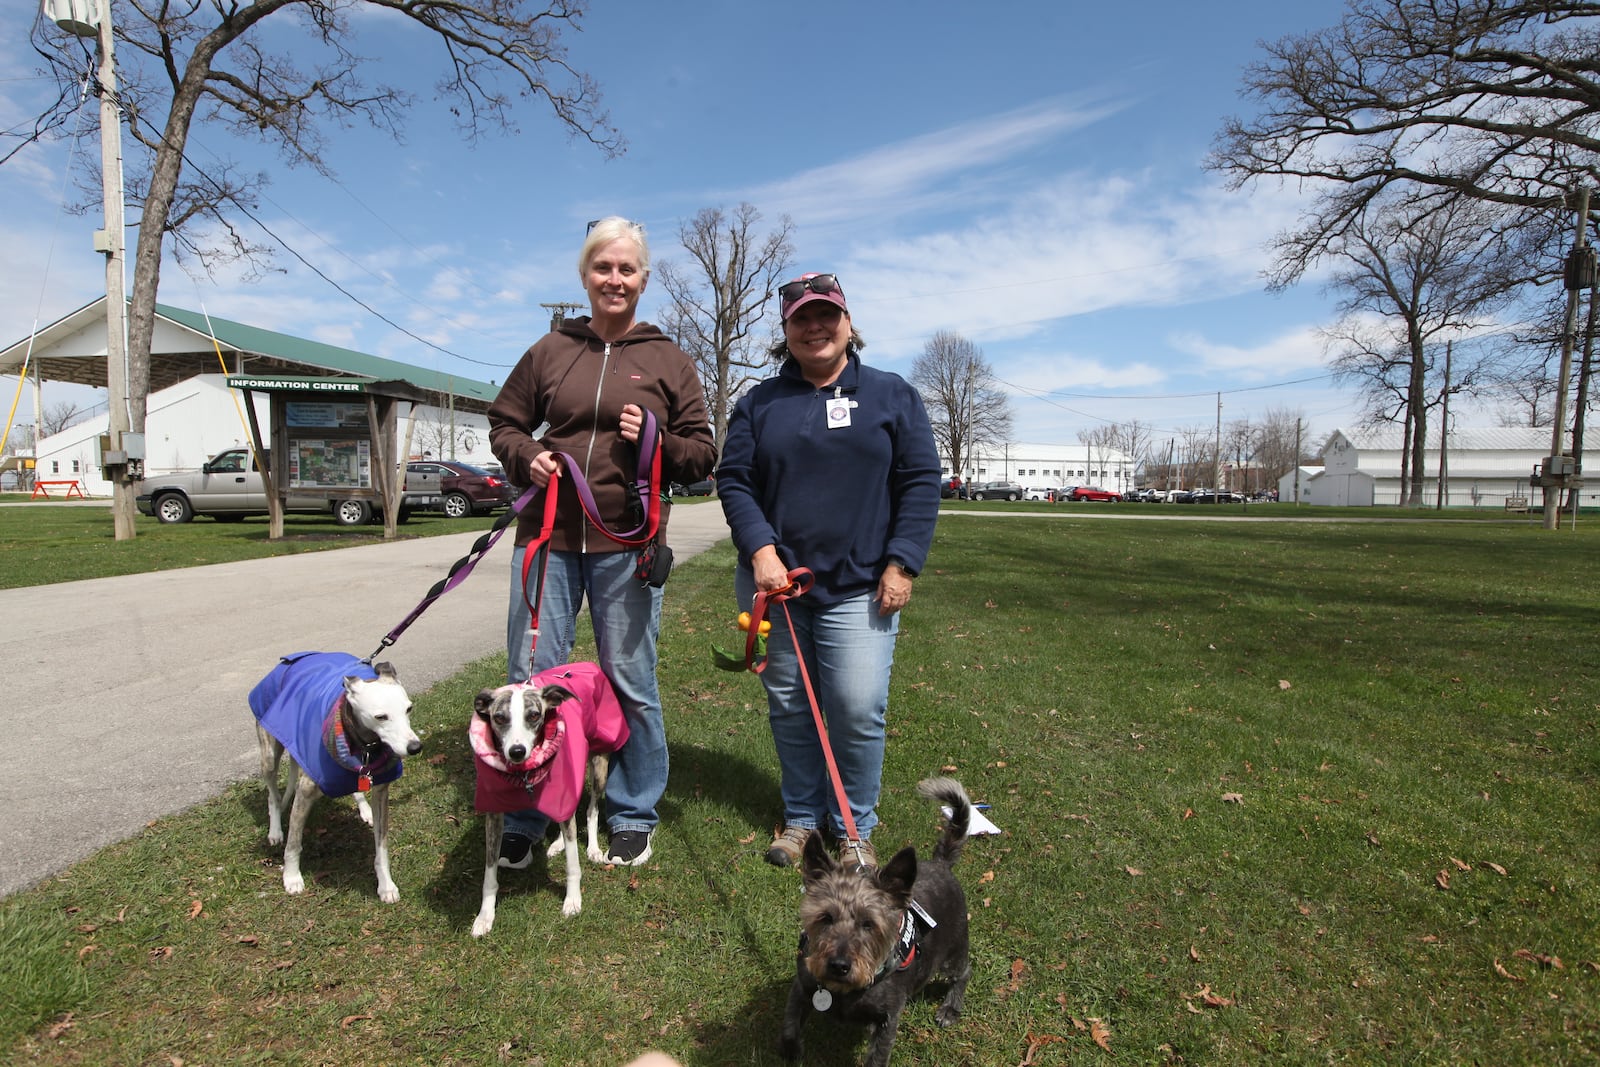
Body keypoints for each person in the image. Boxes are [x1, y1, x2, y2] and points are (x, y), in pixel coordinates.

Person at [488, 217, 716, 866]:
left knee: (630, 678)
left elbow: (702, 454)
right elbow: (504, 421)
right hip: (547, 539)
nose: (614, 279)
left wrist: (656, 440)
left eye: (626, 269)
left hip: (628, 546)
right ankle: (530, 815)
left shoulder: (669, 359)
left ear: (644, 278)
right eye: (603, 267)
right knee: (530, 679)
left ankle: (633, 808)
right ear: (585, 275)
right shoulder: (550, 351)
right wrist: (527, 454)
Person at [715, 272, 941, 869]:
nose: (815, 327)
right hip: (777, 585)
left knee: (856, 705)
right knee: (790, 702)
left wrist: (903, 562)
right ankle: (800, 818)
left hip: (861, 584)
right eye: (801, 319)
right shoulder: (760, 403)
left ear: (848, 323)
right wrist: (761, 550)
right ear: (786, 331)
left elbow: (920, 482)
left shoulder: (893, 396)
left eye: (826, 315)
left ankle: (853, 827)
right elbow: (734, 479)